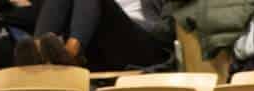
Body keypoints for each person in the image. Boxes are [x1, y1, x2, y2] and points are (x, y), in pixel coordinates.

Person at [12, 0, 172, 70]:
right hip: (96, 43)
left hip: (144, 43)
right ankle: (38, 52)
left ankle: (70, 54)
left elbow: (169, 23)